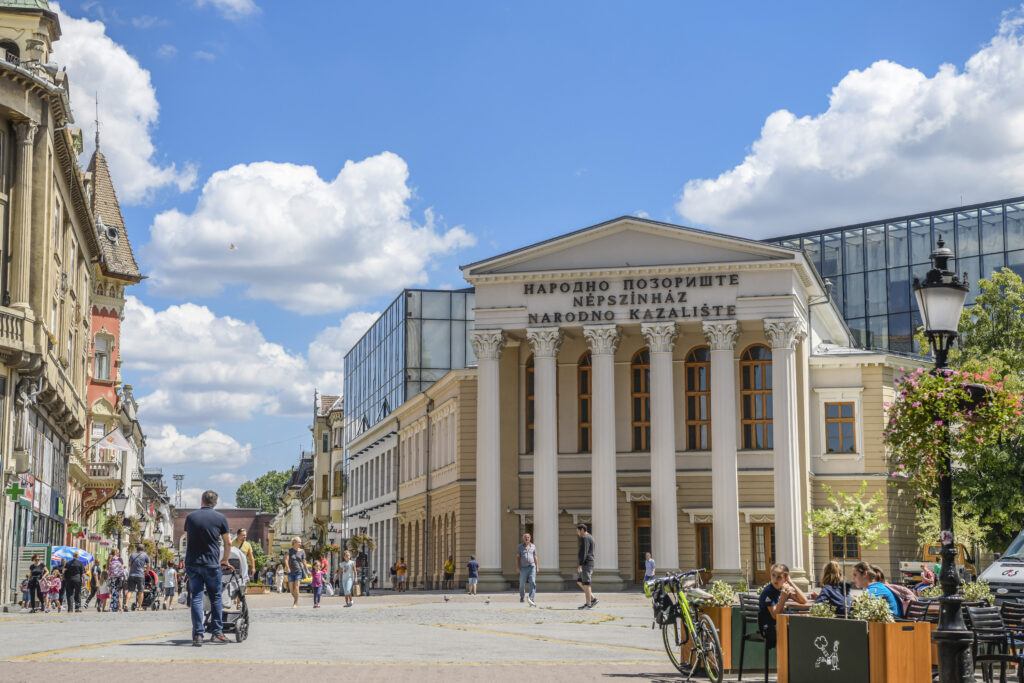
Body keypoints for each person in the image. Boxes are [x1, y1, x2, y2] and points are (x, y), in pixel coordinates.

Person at [183, 489, 232, 647]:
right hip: (212, 564)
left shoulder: (190, 517)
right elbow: (228, 542)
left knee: (196, 597)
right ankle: (217, 632)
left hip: (193, 563)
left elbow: (188, 539)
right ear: (215, 503)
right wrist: (224, 559)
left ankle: (198, 635)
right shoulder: (221, 518)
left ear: (202, 501)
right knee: (215, 596)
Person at [758, 563, 807, 648]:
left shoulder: (783, 589)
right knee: (794, 632)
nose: (775, 579)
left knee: (801, 629)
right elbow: (775, 616)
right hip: (767, 628)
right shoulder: (768, 592)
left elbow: (803, 600)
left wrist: (791, 583)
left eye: (779, 577)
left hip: (779, 625)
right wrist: (783, 598)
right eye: (773, 575)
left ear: (785, 579)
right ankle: (786, 660)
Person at [576, 524, 597, 610]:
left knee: (586, 583)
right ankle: (593, 598)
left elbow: (584, 552)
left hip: (586, 563)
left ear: (582, 530)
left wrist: (580, 564)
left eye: (577, 531)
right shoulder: (590, 537)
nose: (577, 533)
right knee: (580, 581)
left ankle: (588, 604)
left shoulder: (586, 538)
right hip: (588, 562)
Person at [126, 543, 151, 612]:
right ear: (143, 549)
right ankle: (139, 607)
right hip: (140, 575)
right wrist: (147, 572)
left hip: (132, 575)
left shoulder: (132, 555)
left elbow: (129, 564)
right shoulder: (145, 555)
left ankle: (126, 604)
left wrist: (133, 568)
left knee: (130, 591)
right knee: (141, 591)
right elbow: (148, 565)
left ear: (137, 548)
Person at [516, 532, 538, 606]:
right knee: (522, 583)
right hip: (523, 568)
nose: (526, 538)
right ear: (523, 538)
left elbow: (535, 557)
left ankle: (531, 598)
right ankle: (522, 597)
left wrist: (537, 567)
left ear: (530, 538)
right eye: (525, 537)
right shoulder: (520, 547)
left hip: (532, 567)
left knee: (533, 582)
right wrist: (518, 567)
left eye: (528, 537)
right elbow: (518, 558)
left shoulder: (533, 546)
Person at [286, 537, 307, 608]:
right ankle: (295, 598)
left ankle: (295, 603)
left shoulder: (302, 551)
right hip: (290, 572)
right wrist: (288, 567)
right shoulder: (289, 551)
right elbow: (286, 560)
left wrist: (307, 570)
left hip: (299, 571)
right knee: (292, 590)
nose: (300, 544)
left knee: (296, 587)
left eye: (300, 542)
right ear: (294, 542)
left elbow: (304, 561)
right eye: (299, 542)